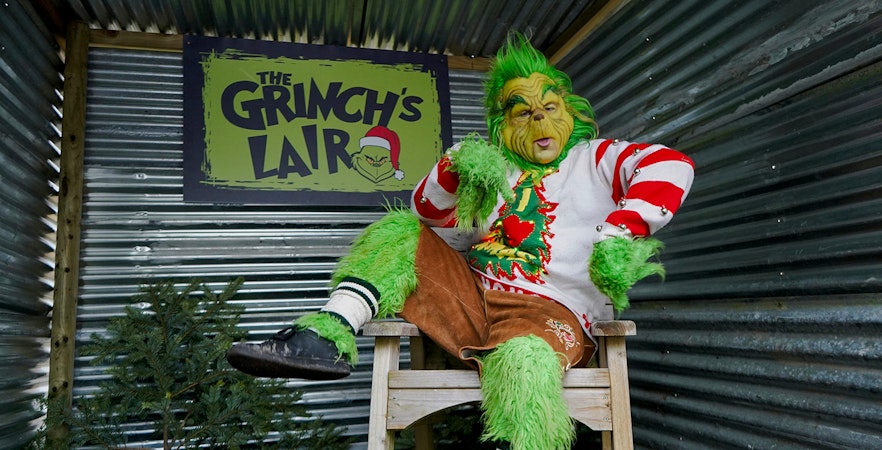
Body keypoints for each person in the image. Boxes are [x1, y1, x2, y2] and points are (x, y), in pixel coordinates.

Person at [227, 34, 694, 450]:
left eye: (550, 108)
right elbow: (428, 215)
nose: (539, 119)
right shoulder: (495, 170)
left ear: (569, 112)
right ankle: (327, 334)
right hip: (471, 299)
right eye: (523, 112)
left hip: (551, 315)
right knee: (400, 232)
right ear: (504, 125)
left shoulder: (597, 158)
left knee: (524, 360)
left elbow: (670, 165)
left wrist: (621, 230)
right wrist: (457, 169)